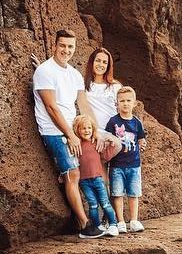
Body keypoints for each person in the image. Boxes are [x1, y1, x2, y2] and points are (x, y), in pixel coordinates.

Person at [32, 29, 93, 236]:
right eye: (63, 45)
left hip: (73, 129)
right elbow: (51, 108)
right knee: (72, 174)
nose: (66, 50)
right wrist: (70, 135)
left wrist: (95, 132)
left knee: (92, 169)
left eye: (70, 47)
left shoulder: (74, 74)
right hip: (55, 131)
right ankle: (84, 223)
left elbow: (83, 103)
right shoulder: (44, 71)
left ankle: (95, 216)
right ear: (55, 45)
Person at [105, 86, 146, 233]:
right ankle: (120, 221)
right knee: (117, 193)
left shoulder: (136, 122)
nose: (125, 103)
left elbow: (141, 138)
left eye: (129, 100)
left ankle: (134, 220)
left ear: (134, 103)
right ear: (117, 103)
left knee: (133, 193)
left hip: (134, 164)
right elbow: (108, 138)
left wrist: (142, 144)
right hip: (116, 165)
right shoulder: (113, 122)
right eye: (122, 101)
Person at [73, 115, 121, 238]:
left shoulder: (95, 143)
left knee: (105, 203)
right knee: (92, 204)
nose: (87, 130)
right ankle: (97, 226)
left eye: (89, 128)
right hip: (84, 182)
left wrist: (111, 144)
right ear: (77, 130)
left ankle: (113, 225)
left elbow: (106, 156)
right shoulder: (76, 145)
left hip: (98, 179)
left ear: (93, 129)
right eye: (83, 128)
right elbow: (73, 162)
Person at [85, 47, 122, 138]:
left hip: (113, 133)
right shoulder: (83, 85)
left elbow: (123, 112)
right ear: (92, 62)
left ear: (108, 66)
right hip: (92, 133)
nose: (101, 64)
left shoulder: (115, 86)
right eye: (98, 60)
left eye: (105, 62)